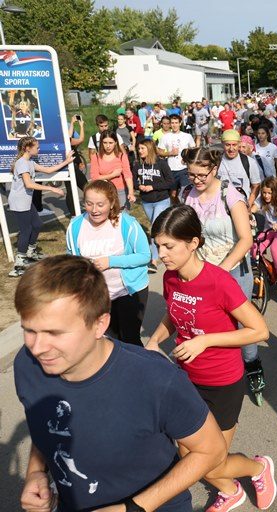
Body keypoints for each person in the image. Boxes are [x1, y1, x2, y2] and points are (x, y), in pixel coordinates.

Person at [13, 255, 228, 512]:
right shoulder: (26, 366)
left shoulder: (155, 378)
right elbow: (44, 423)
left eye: (55, 333)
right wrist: (36, 472)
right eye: (30, 330)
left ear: (100, 324)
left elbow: (211, 450)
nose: (38, 348)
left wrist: (133, 508)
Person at [146, 205, 277, 511]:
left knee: (211, 464)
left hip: (222, 384)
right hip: (187, 380)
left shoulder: (219, 281)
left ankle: (258, 468)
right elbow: (173, 314)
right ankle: (232, 492)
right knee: (187, 456)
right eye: (158, 245)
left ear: (193, 243)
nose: (161, 254)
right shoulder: (170, 279)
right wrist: (153, 340)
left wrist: (205, 341)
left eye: (169, 246)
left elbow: (260, 331)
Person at [180, 147, 264, 399]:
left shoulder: (230, 195)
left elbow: (246, 240)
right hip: (201, 272)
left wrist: (221, 270)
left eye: (201, 175)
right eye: (191, 175)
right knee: (207, 322)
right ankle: (210, 372)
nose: (196, 180)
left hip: (233, 271)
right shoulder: (187, 195)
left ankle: (253, 366)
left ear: (214, 170)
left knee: (242, 324)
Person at [66, 180, 150, 347]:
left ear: (112, 203)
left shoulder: (127, 224)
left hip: (129, 291)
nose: (94, 210)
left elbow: (144, 256)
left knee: (130, 339)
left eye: (100, 204)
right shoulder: (75, 226)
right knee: (109, 342)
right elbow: (72, 259)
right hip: (98, 295)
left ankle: (140, 371)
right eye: (89, 204)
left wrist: (111, 261)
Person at [7, 136, 71, 277]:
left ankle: (31, 251)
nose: (39, 148)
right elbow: (29, 184)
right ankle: (20, 263)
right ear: (28, 148)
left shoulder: (29, 162)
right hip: (19, 202)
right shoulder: (22, 163)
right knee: (26, 230)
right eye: (37, 146)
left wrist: (67, 161)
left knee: (37, 224)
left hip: (26, 201)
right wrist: (53, 189)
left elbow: (48, 170)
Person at [133, 138, 174, 273]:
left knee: (154, 228)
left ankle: (154, 260)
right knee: (160, 229)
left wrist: (152, 186)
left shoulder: (161, 164)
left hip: (162, 200)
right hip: (147, 202)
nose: (140, 151)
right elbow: (133, 182)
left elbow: (170, 182)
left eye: (142, 148)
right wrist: (140, 186)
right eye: (139, 149)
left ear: (149, 149)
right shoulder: (138, 165)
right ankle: (169, 244)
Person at [253, 176, 277, 295]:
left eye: (269, 193)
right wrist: (250, 216)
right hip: (268, 229)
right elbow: (253, 210)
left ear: (275, 192)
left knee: (275, 249)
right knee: (254, 247)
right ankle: (261, 271)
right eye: (264, 193)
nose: (266, 196)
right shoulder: (262, 200)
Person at [89, 130, 135, 208]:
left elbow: (128, 175)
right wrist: (113, 175)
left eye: (111, 143)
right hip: (103, 192)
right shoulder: (96, 157)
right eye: (105, 143)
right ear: (101, 143)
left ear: (116, 143)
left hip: (121, 191)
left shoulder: (121, 156)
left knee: (121, 216)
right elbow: (94, 178)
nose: (108, 146)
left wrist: (131, 192)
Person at [158, 114, 196, 202]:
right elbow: (159, 152)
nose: (174, 125)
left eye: (176, 123)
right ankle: (176, 209)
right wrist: (170, 153)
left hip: (184, 169)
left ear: (180, 123)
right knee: (173, 194)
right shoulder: (165, 137)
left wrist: (186, 158)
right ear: (170, 124)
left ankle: (185, 209)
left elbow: (194, 150)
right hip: (170, 169)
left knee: (185, 192)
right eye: (172, 123)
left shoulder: (187, 136)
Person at [218, 129, 263, 205]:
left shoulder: (249, 162)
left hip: (241, 206)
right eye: (228, 145)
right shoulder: (216, 161)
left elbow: (256, 186)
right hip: (220, 208)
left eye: (234, 145)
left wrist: (249, 204)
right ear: (222, 144)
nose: (231, 149)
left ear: (239, 144)